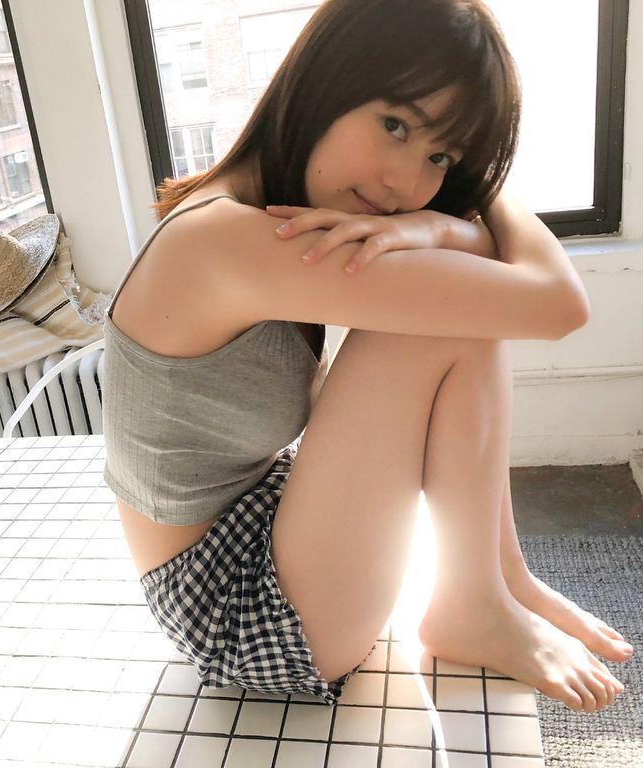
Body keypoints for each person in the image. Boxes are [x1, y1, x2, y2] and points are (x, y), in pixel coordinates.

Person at [102, 0, 634, 711]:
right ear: (324, 79)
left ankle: (496, 580)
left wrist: (435, 230)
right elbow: (557, 303)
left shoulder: (257, 212)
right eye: (396, 125)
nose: (404, 185)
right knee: (445, 314)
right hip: (234, 610)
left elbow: (498, 274)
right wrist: (468, 205)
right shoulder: (226, 242)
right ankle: (473, 601)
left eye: (441, 158)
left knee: (455, 306)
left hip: (259, 523)